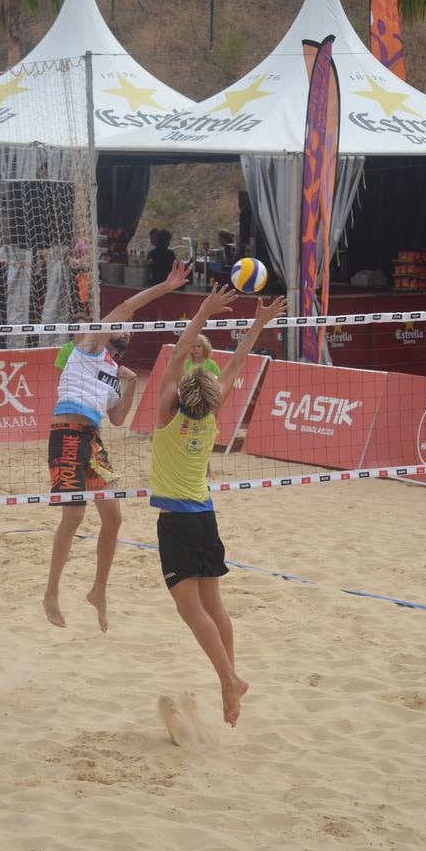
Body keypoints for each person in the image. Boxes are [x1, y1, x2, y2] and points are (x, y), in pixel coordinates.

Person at [149, 285, 287, 728]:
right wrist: (259, 324)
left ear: (179, 395)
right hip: (206, 518)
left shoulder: (167, 418)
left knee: (191, 612)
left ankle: (229, 680)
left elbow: (177, 357)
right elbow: (234, 364)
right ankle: (232, 691)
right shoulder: (211, 418)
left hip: (177, 523)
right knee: (216, 606)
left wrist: (203, 312)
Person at [44, 259, 191, 632]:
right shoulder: (89, 345)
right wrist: (167, 286)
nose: (125, 327)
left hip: (92, 439)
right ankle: (51, 592)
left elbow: (119, 419)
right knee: (74, 516)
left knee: (114, 517)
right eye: (122, 326)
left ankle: (98, 590)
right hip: (66, 433)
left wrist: (130, 384)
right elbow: (127, 307)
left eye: (126, 330)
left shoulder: (113, 371)